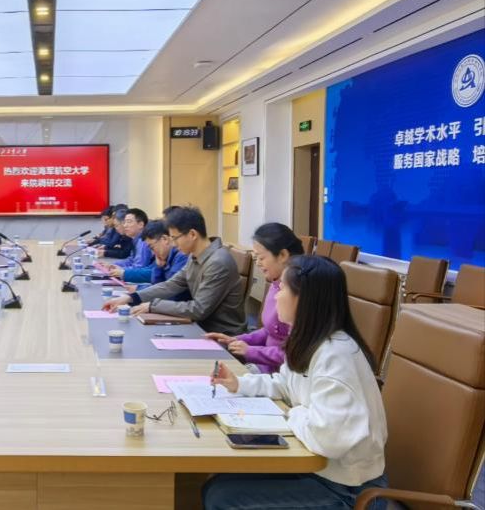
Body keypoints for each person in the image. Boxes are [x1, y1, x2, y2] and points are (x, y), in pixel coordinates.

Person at [203, 255, 387, 509]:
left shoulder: (335, 356)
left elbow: (328, 439)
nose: (276, 296)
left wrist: (293, 412)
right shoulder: (310, 340)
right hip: (323, 472)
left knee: (222, 497)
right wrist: (239, 384)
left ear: (303, 299)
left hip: (348, 490)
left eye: (282, 288)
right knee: (219, 483)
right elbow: (285, 384)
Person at [103, 206, 245, 335]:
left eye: (175, 238)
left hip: (220, 335)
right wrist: (131, 298)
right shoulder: (195, 256)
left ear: (192, 234)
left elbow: (198, 309)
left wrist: (153, 306)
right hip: (198, 327)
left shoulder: (217, 262)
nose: (174, 244)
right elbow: (171, 284)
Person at [205, 223, 303, 373]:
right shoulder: (276, 282)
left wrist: (251, 351)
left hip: (280, 375)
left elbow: (295, 355)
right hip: (264, 366)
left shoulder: (298, 293)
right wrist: (237, 340)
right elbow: (270, 330)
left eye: (261, 258)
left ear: (283, 255)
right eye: (256, 258)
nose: (257, 263)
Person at [119, 221, 191, 303]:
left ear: (165, 239)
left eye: (152, 247)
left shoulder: (181, 257)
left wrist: (138, 292)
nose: (152, 253)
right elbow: (157, 285)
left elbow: (170, 293)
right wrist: (158, 267)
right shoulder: (165, 258)